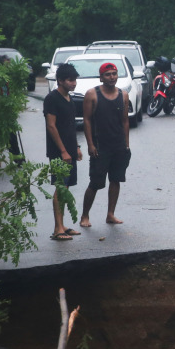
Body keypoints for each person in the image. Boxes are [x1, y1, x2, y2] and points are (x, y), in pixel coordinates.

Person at [81, 61, 131, 227]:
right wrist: (90, 144)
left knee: (115, 180)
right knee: (95, 183)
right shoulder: (92, 94)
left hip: (118, 145)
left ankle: (110, 214)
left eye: (114, 74)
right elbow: (87, 120)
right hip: (100, 146)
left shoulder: (123, 95)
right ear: (101, 77)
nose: (112, 77)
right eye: (108, 74)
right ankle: (85, 216)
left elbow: (125, 121)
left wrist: (126, 144)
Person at [44, 63, 82, 240]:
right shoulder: (52, 99)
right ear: (60, 80)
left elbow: (70, 127)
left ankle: (62, 224)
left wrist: (76, 148)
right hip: (59, 152)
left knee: (66, 188)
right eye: (70, 80)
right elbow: (51, 126)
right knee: (60, 188)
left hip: (70, 151)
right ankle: (57, 228)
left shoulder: (69, 98)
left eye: (74, 80)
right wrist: (63, 151)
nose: (73, 83)